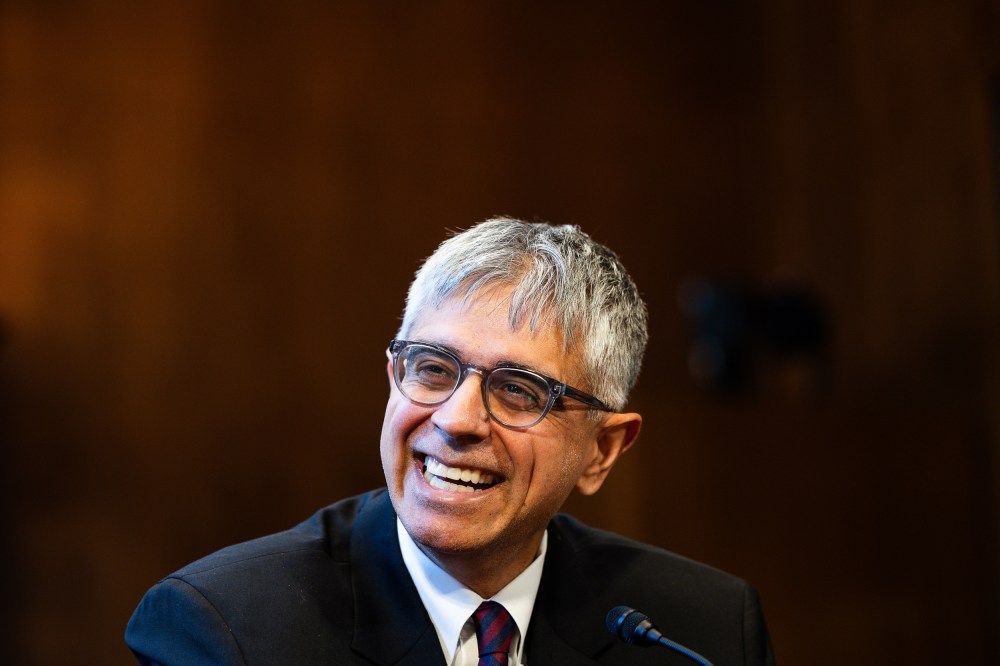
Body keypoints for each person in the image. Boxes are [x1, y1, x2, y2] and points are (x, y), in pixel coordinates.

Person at [125, 218, 775, 665]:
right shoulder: (227, 632)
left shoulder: (705, 632)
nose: (458, 420)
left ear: (602, 450)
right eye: (433, 370)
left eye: (519, 389)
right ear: (393, 378)